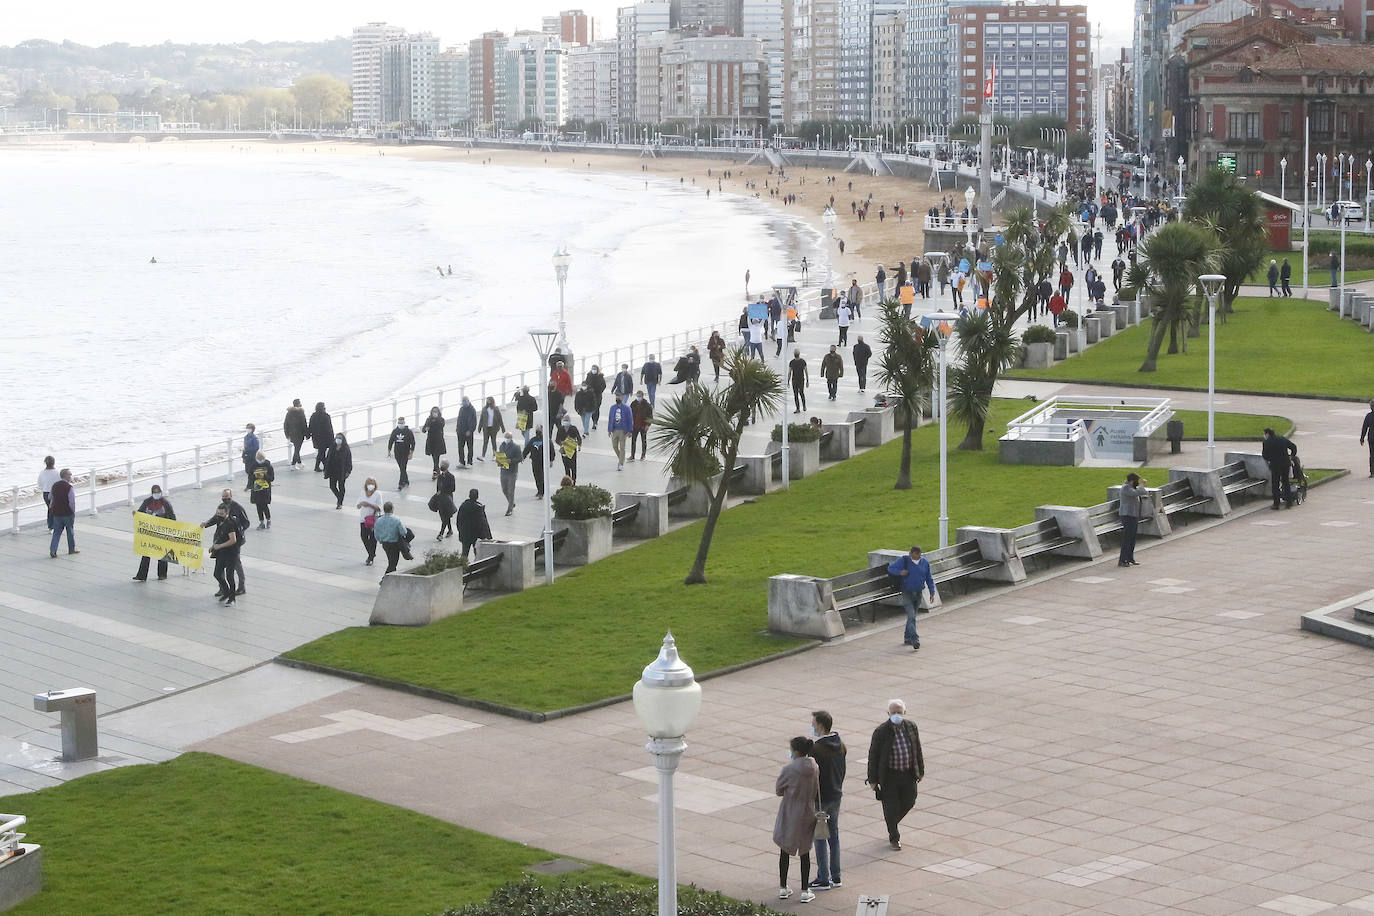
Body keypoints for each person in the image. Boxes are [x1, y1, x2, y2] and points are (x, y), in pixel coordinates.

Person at [866, 699, 924, 851]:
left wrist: (920, 770)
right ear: (888, 714)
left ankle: (891, 823)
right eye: (894, 713)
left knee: (909, 801)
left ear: (904, 713)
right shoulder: (881, 731)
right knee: (891, 807)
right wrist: (872, 779)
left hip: (908, 773)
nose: (897, 715)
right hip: (890, 776)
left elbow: (917, 749)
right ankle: (894, 837)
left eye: (899, 712)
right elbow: (873, 755)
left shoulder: (911, 727)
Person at [774, 736, 820, 903]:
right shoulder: (814, 766)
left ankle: (783, 887)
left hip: (790, 810)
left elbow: (779, 790)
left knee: (784, 848)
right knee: (805, 851)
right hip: (808, 810)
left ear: (795, 751)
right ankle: (805, 890)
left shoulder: (789, 769)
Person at [808, 711, 846, 892]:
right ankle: (836, 875)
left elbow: (812, 775)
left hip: (821, 798)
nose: (812, 726)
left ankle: (823, 877)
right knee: (834, 835)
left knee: (820, 836)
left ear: (821, 725)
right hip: (836, 794)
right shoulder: (840, 745)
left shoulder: (816, 749)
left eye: (814, 723)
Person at [887, 545, 934, 651]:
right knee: (911, 616)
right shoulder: (904, 561)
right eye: (915, 554)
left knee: (912, 618)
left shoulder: (924, 563)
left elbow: (929, 578)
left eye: (919, 555)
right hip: (907, 592)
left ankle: (907, 638)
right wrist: (900, 572)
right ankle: (915, 639)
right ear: (911, 553)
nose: (917, 557)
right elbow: (890, 568)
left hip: (918, 593)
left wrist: (932, 592)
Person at [202, 489, 248, 593]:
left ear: (231, 496)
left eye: (227, 496)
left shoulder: (238, 508)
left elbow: (246, 523)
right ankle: (222, 588)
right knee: (219, 564)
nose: (225, 499)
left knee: (236, 564)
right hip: (220, 539)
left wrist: (237, 531)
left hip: (234, 542)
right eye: (223, 497)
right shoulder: (221, 508)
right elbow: (215, 518)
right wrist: (206, 524)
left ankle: (241, 586)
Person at [131, 485, 174, 581]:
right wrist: (136, 515)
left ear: (161, 492)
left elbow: (172, 517)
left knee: (162, 554)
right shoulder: (147, 502)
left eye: (158, 492)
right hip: (149, 533)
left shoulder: (166, 503)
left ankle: (162, 574)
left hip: (161, 532)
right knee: (146, 553)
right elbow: (140, 513)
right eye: (154, 492)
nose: (156, 494)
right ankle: (142, 575)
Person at [208, 505, 241, 605]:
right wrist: (214, 546)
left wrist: (220, 546)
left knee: (229, 576)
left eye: (221, 514)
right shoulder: (220, 522)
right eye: (218, 513)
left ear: (226, 513)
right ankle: (226, 592)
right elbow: (219, 535)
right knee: (217, 573)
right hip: (221, 552)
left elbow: (233, 540)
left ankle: (232, 598)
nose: (219, 515)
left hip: (231, 553)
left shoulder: (230, 523)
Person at [372, 502, 414, 574]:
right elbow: (404, 532)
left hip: (385, 544)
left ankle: (390, 578)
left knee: (391, 561)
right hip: (394, 544)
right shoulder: (396, 520)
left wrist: (380, 540)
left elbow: (376, 533)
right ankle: (385, 579)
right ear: (392, 509)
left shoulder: (378, 520)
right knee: (393, 563)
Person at [1262, 427, 1298, 509]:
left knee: (1275, 484)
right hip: (1285, 464)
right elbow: (1293, 447)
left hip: (1275, 465)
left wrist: (1270, 459)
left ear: (1267, 434)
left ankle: (1276, 504)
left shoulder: (1266, 442)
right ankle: (1289, 502)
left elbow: (1265, 455)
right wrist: (1292, 456)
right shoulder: (1282, 439)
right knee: (1286, 482)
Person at [1118, 472, 1148, 567]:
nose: (1138, 483)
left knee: (1132, 538)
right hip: (1127, 516)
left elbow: (1140, 492)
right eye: (1136, 481)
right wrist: (1143, 485)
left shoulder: (1131, 487)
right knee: (1127, 538)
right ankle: (1122, 560)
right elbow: (1137, 492)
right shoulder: (1126, 488)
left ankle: (1130, 558)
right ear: (1131, 481)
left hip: (1133, 515)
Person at [47, 468, 78, 558]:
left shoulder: (55, 485)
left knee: (56, 532)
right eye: (70, 474)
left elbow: (50, 497)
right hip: (68, 513)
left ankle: (53, 550)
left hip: (57, 513)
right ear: (65, 475)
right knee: (70, 531)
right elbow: (71, 501)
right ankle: (71, 549)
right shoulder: (69, 487)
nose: (71, 476)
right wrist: (73, 511)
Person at [456, 488, 492, 560]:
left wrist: (460, 531)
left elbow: (459, 521)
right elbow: (483, 523)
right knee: (477, 553)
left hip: (465, 535)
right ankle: (477, 567)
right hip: (476, 536)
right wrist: (488, 536)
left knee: (464, 553)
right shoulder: (479, 508)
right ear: (477, 497)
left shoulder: (463, 506)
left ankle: (462, 567)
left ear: (469, 495)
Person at [496, 432, 524, 516]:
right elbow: (500, 455)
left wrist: (511, 461)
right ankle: (511, 503)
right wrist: (498, 460)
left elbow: (520, 458)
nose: (506, 439)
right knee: (504, 489)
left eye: (508, 437)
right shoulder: (502, 446)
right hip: (503, 471)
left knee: (511, 491)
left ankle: (510, 509)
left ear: (511, 438)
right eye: (505, 437)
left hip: (512, 472)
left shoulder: (516, 447)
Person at [356, 478, 382, 565]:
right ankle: (371, 554)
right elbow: (358, 505)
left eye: (372, 483)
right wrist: (361, 504)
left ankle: (370, 557)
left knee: (372, 539)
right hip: (363, 519)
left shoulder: (378, 494)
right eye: (369, 483)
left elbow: (379, 508)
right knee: (364, 537)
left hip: (373, 520)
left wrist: (369, 505)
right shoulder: (362, 492)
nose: (370, 485)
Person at [324, 433, 353, 509]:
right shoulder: (332, 447)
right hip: (333, 470)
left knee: (341, 486)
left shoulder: (346, 449)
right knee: (332, 486)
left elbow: (349, 461)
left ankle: (339, 502)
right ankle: (339, 498)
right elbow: (328, 458)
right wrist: (325, 469)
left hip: (341, 471)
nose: (338, 439)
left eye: (339, 438)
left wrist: (348, 471)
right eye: (337, 438)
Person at [387, 418, 416, 490]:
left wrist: (411, 453)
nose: (401, 424)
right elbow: (391, 441)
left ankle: (401, 484)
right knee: (402, 468)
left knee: (403, 468)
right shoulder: (395, 431)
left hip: (405, 453)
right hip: (397, 453)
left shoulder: (408, 432)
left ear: (404, 423)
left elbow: (413, 442)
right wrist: (389, 451)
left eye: (402, 423)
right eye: (399, 423)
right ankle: (406, 481)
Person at [607, 394, 633, 470]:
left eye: (619, 397)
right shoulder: (612, 408)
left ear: (622, 398)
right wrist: (609, 430)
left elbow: (630, 419)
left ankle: (621, 463)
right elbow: (610, 418)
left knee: (622, 447)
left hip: (623, 430)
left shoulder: (627, 408)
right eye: (616, 396)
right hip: (614, 430)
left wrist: (630, 431)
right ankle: (621, 458)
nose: (617, 398)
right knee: (614, 446)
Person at [248, 452, 274, 529]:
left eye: (261, 459)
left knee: (265, 505)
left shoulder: (268, 466)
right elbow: (250, 477)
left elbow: (272, 478)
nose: (260, 460)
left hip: (265, 489)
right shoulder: (253, 466)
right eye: (258, 459)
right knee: (258, 506)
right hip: (256, 489)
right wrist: (255, 476)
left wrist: (264, 476)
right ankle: (261, 522)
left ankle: (268, 520)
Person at [307, 402, 334, 472]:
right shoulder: (326, 416)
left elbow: (310, 426)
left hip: (316, 437)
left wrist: (308, 434)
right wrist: (332, 438)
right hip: (325, 437)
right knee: (322, 452)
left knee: (321, 452)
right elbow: (329, 428)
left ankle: (319, 467)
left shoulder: (313, 415)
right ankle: (324, 466)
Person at [421, 406, 447, 477]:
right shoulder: (428, 419)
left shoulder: (441, 419)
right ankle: (437, 470)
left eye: (436, 412)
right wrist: (426, 428)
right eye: (433, 412)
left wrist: (437, 418)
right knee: (434, 456)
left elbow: (441, 425)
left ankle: (435, 471)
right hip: (431, 440)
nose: (434, 413)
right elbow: (423, 429)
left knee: (436, 456)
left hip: (438, 440)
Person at [433, 462, 456, 540]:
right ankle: (450, 530)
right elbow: (437, 488)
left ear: (447, 466)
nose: (441, 467)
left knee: (445, 516)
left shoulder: (451, 476)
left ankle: (441, 533)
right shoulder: (440, 477)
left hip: (447, 499)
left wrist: (442, 491)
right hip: (441, 499)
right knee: (445, 516)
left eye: (443, 466)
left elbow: (453, 489)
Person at [555, 419, 582, 485]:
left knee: (573, 466)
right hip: (564, 450)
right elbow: (557, 440)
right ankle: (567, 481)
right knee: (566, 466)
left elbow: (578, 437)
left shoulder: (573, 428)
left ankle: (574, 480)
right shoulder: (560, 429)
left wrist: (579, 445)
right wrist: (561, 443)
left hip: (572, 450)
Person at [283, 399, 308, 469]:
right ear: (298, 404)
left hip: (292, 434)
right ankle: (293, 464)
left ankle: (299, 463)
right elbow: (304, 424)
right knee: (297, 449)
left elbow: (286, 424)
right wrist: (307, 434)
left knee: (297, 448)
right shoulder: (301, 413)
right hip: (300, 434)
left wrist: (286, 434)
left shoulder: (289, 413)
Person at [523, 425, 547, 499]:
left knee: (542, 476)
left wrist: (551, 459)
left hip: (543, 461)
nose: (538, 431)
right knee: (536, 476)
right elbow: (527, 449)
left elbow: (550, 448)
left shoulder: (545, 439)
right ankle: (539, 490)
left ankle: (541, 492)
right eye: (537, 429)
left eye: (539, 429)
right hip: (534, 461)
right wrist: (523, 456)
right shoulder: (533, 440)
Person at [38, 456, 59, 531]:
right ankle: (54, 525)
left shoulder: (42, 473)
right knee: (55, 509)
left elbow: (40, 485)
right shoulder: (58, 472)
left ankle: (51, 526)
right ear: (54, 462)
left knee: (50, 509)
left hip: (46, 493)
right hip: (56, 492)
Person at [630, 390, 652, 461]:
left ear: (642, 396)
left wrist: (648, 425)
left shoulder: (647, 405)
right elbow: (630, 414)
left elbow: (650, 416)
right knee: (633, 441)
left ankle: (643, 455)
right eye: (637, 396)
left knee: (643, 440)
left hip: (643, 425)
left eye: (639, 396)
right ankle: (632, 455)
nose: (638, 397)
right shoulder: (633, 404)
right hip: (635, 425)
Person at [456, 396, 477, 467]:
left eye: (465, 401)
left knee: (470, 447)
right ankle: (461, 462)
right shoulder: (461, 409)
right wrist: (457, 428)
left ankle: (469, 462)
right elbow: (459, 419)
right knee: (460, 447)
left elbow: (474, 422)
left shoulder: (472, 409)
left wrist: (470, 430)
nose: (464, 402)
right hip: (460, 432)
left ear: (468, 401)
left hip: (468, 432)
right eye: (463, 401)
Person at [583, 364, 607, 430]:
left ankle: (595, 422)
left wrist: (600, 391)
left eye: (595, 369)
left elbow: (604, 385)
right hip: (590, 395)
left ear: (597, 370)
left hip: (598, 395)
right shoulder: (589, 376)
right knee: (592, 409)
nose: (594, 370)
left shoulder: (600, 376)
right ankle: (593, 420)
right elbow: (586, 384)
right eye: (593, 369)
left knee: (596, 408)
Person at [241, 423, 261, 492]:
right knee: (247, 471)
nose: (247, 429)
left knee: (251, 471)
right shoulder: (246, 437)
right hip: (247, 457)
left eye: (249, 428)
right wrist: (243, 457)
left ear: (252, 429)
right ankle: (253, 484)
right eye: (247, 428)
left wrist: (248, 450)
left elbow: (256, 447)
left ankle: (250, 486)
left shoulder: (254, 438)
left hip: (252, 456)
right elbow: (245, 447)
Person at [788, 348, 808, 412]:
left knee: (798, 394)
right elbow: (806, 371)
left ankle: (800, 407)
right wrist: (807, 380)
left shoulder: (792, 362)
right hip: (799, 379)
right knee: (799, 393)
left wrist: (788, 381)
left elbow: (789, 372)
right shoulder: (802, 361)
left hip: (796, 380)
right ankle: (801, 407)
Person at [1360, 400, 1374, 477]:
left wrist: (1362, 438)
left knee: (1372, 455)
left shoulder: (1368, 416)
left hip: (1371, 437)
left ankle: (1372, 472)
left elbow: (1364, 428)